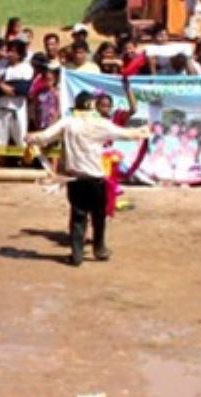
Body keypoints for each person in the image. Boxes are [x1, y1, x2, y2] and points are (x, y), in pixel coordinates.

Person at [25, 92, 153, 267]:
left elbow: (44, 137)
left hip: (75, 179)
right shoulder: (101, 123)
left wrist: (30, 137)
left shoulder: (67, 122)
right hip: (96, 179)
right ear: (92, 106)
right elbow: (126, 134)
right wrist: (143, 131)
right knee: (98, 216)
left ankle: (77, 255)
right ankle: (99, 249)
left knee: (78, 216)